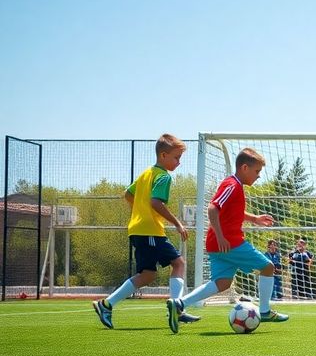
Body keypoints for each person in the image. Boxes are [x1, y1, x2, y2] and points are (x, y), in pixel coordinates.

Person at [166, 147, 288, 333]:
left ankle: (179, 303)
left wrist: (254, 219)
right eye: (257, 172)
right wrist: (222, 236)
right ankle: (264, 311)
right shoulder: (232, 185)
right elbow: (213, 208)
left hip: (219, 245)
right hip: (230, 243)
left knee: (222, 282)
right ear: (244, 168)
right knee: (268, 267)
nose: (258, 176)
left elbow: (232, 211)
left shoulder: (235, 186)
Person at [93, 134, 199, 328]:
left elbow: (128, 194)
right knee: (178, 263)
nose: (179, 162)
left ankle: (106, 304)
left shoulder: (146, 174)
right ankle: (177, 307)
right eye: (176, 157)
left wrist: (140, 211)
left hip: (138, 229)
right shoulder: (163, 176)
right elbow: (156, 203)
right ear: (164, 155)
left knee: (148, 274)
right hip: (150, 230)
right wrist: (177, 223)